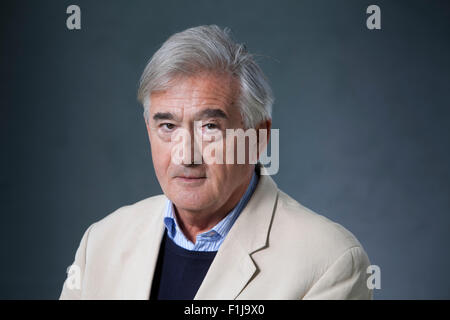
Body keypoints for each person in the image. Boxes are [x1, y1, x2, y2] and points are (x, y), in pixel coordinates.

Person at [59, 25, 372, 300]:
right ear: (148, 131)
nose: (186, 155)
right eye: (167, 127)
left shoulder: (329, 260)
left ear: (258, 137)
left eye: (210, 127)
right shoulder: (101, 242)